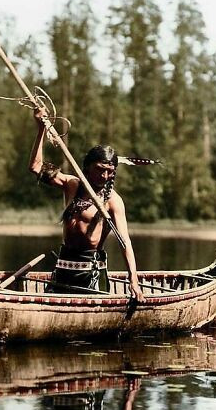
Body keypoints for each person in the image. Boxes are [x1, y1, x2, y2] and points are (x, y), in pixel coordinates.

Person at [28, 108, 146, 300]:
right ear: (87, 167)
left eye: (109, 171)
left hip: (90, 272)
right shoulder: (71, 185)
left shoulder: (112, 201)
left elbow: (125, 242)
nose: (104, 176)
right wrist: (40, 128)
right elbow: (35, 167)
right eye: (99, 170)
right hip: (63, 265)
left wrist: (134, 280)